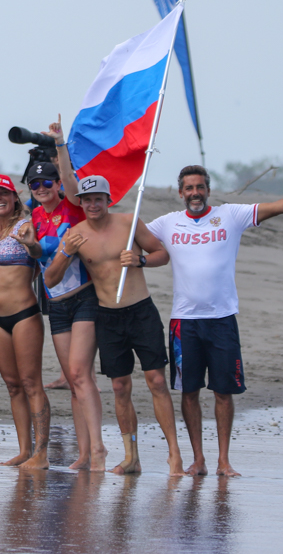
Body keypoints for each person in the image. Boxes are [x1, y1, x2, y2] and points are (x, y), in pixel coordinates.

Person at [146, 165, 283, 477]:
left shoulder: (231, 215)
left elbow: (278, 207)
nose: (195, 193)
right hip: (184, 322)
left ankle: (223, 461)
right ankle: (198, 459)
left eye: (200, 187)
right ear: (180, 193)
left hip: (222, 320)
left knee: (223, 392)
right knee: (189, 392)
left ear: (208, 190)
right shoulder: (166, 223)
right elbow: (127, 232)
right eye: (189, 188)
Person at [45, 175, 182, 475]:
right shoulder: (75, 234)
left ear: (109, 200)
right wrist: (66, 252)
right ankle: (131, 456)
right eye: (87, 199)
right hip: (107, 316)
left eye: (99, 199)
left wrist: (141, 260)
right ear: (80, 202)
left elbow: (162, 254)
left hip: (141, 312)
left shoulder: (129, 223)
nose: (93, 204)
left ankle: (175, 456)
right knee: (120, 387)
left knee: (157, 381)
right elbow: (50, 280)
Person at [36, 117, 106, 472]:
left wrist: (60, 143)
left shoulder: (73, 208)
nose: (42, 187)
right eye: (35, 183)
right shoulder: (34, 215)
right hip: (56, 304)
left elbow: (69, 181)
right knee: (73, 379)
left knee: (80, 374)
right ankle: (83, 451)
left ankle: (99, 450)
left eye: (47, 182)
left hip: (84, 298)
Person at [0, 174, 51, 469]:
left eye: (4, 194)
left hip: (24, 315)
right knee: (12, 385)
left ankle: (42, 453)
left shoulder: (26, 226)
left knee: (31, 383)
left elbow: (37, 254)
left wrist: (31, 246)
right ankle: (24, 450)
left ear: (14, 198)